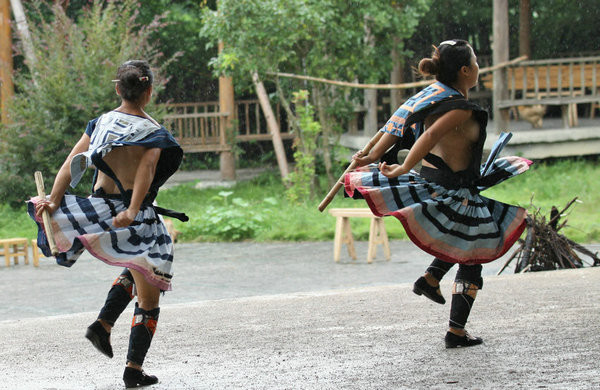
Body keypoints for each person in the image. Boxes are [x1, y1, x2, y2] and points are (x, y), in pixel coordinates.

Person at [345, 40, 532, 348]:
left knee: (460, 239)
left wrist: (371, 153)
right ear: (466, 70)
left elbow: (395, 123)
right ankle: (456, 332)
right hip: (451, 189)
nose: (478, 68)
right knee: (473, 252)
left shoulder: (430, 99)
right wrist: (403, 165)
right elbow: (428, 134)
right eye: (475, 62)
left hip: (449, 183)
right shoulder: (458, 108)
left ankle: (431, 280)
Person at [28, 60, 187, 387]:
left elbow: (71, 164)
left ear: (118, 89)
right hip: (133, 216)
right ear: (150, 91)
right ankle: (132, 369)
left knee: (136, 267)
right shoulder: (154, 133)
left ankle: (103, 325)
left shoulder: (100, 123)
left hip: (100, 209)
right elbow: (145, 170)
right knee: (151, 288)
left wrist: (56, 200)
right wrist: (131, 209)